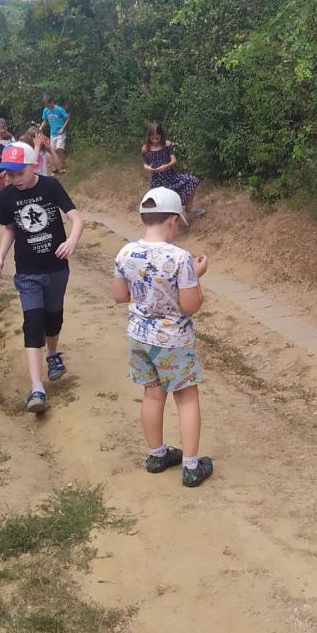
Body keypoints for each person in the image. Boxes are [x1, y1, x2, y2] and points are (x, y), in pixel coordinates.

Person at [112, 187, 213, 487]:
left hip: (139, 337)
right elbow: (190, 305)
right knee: (187, 398)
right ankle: (191, 467)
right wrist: (196, 276)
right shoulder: (181, 258)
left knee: (153, 394)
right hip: (173, 341)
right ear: (172, 220)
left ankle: (157, 455)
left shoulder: (125, 252)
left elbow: (120, 295)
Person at [0, 140, 84, 413]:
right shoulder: (7, 196)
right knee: (33, 323)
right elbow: (10, 229)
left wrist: (71, 241)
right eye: (9, 174)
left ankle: (52, 354)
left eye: (19, 173)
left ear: (33, 166)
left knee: (54, 319)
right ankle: (37, 388)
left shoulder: (50, 186)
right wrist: (0, 258)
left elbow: (77, 219)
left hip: (56, 267)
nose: (14, 179)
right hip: (27, 270)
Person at [142, 122, 203, 218]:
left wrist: (166, 166)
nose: (155, 140)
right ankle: (165, 220)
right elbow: (145, 163)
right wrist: (147, 167)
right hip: (157, 180)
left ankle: (189, 208)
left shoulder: (167, 144)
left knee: (193, 180)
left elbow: (174, 160)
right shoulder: (145, 148)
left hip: (171, 176)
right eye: (152, 138)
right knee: (159, 200)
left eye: (157, 138)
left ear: (161, 136)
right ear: (148, 137)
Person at [39, 95, 70, 173]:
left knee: (59, 149)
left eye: (48, 105)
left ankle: (62, 165)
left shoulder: (59, 109)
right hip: (53, 134)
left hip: (61, 133)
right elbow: (45, 120)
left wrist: (62, 128)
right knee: (52, 150)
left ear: (52, 102)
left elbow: (67, 118)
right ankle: (56, 166)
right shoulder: (46, 110)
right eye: (46, 106)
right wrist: (40, 128)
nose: (47, 107)